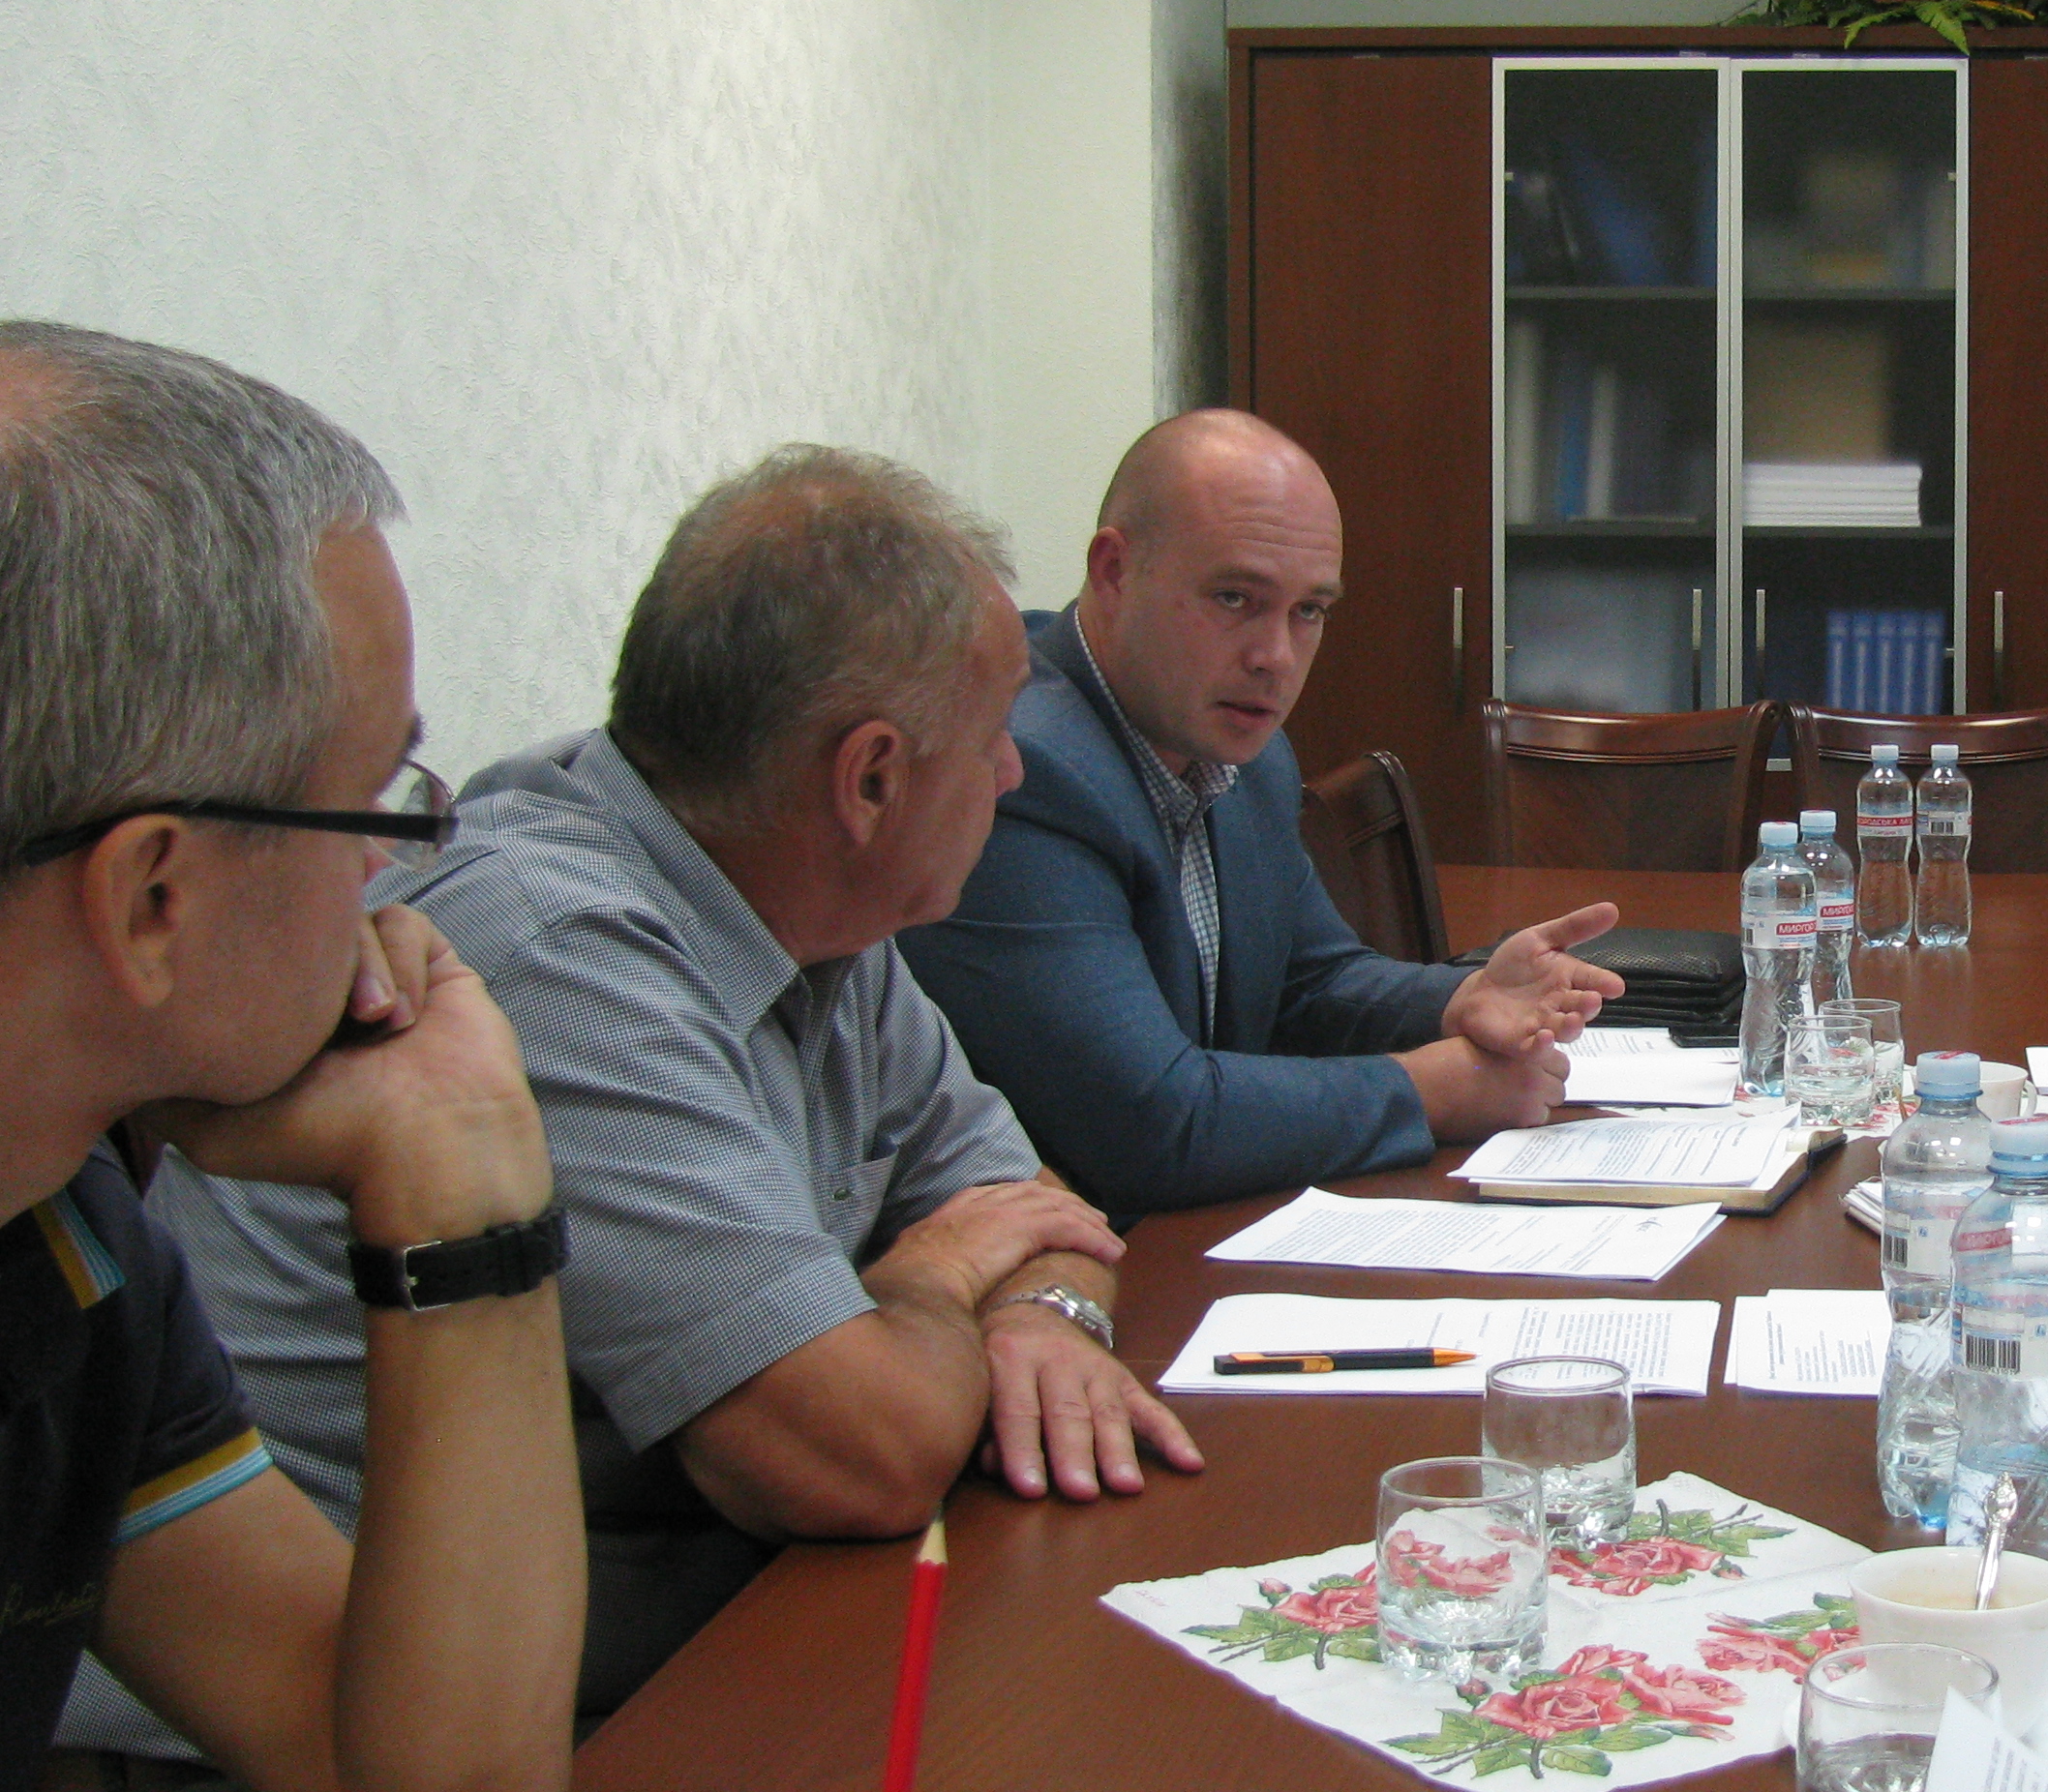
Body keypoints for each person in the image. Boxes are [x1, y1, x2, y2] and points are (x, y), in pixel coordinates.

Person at [73, 446, 1203, 1757]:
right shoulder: (546, 949)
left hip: (615, 1674)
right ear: (870, 779)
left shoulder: (821, 911)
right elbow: (865, 1457)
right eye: (371, 805)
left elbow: (1036, 1205)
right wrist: (939, 1274)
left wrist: (1046, 1313)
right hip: (368, 1733)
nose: (396, 900)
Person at [1, 322, 579, 1787]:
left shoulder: (67, 1235)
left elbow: (414, 1769)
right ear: (154, 897)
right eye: (378, 805)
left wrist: (460, 1173)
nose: (396, 885)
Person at [904, 409, 1622, 1217]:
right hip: (1081, 1252)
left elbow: (1310, 979)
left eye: (1308, 610)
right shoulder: (1018, 770)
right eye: (1234, 598)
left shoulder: (1244, 752)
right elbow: (1150, 1124)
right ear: (1114, 571)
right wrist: (1430, 1090)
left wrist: (1458, 999)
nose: (1275, 657)